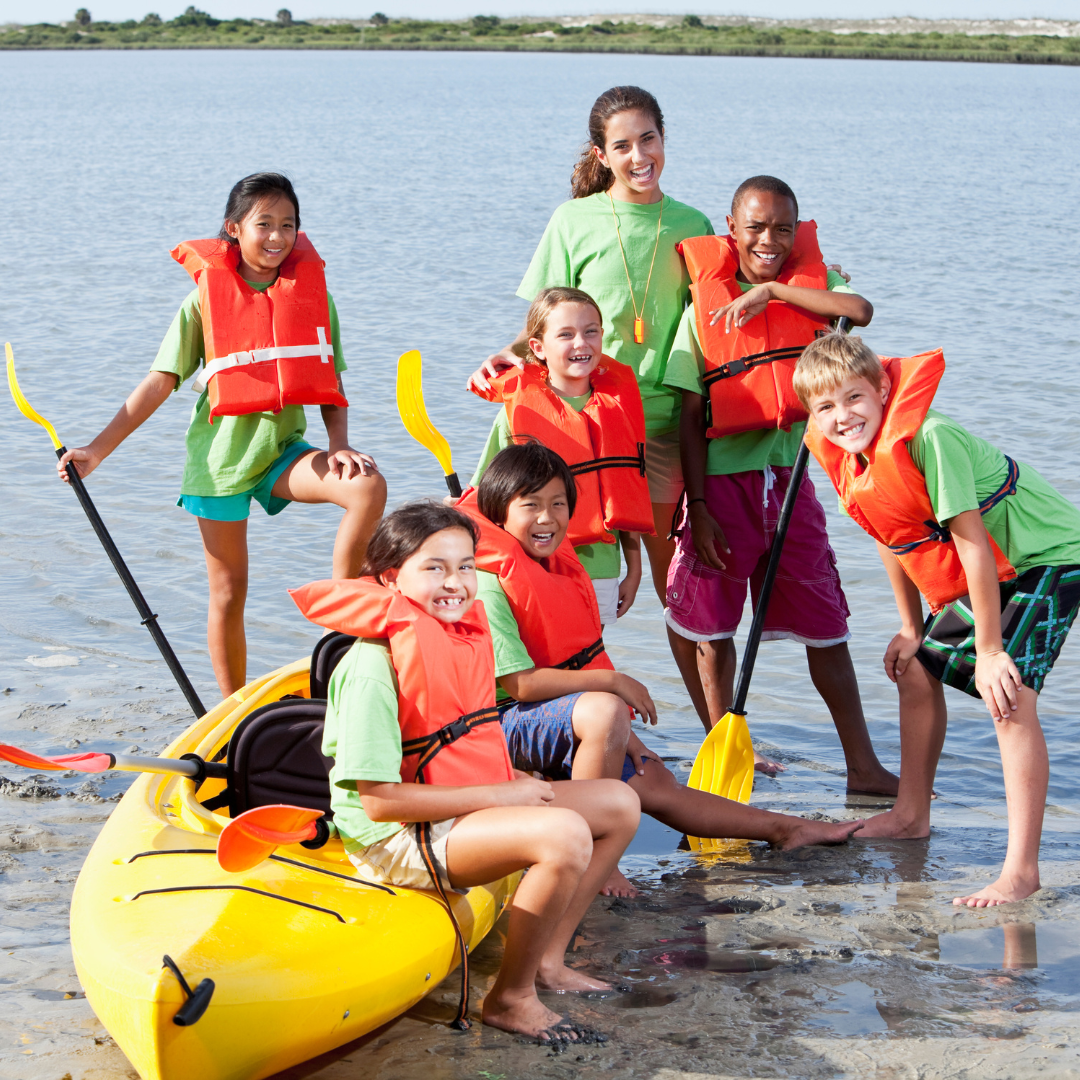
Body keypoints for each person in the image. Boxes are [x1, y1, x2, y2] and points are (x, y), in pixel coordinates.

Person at [290, 502, 640, 1039]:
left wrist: (514, 785)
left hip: (456, 807)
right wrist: (501, 797)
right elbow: (381, 802)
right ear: (389, 576)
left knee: (618, 803)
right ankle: (510, 998)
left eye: (466, 566)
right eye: (434, 567)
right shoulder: (371, 667)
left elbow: (467, 742)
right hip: (394, 837)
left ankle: (546, 960)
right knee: (565, 834)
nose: (454, 583)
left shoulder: (460, 639)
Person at [457, 443, 865, 896]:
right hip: (497, 726)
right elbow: (521, 684)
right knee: (607, 711)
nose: (547, 518)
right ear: (497, 512)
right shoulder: (488, 586)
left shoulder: (556, 568)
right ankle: (592, 854)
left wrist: (626, 742)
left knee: (655, 780)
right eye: (529, 506)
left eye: (558, 504)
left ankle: (786, 829)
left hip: (552, 717)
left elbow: (573, 661)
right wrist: (614, 683)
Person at [57, 173, 386, 698]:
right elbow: (159, 382)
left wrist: (339, 444)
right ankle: (232, 710)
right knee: (229, 592)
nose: (276, 237)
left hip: (283, 453)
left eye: (288, 225)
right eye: (264, 224)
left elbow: (330, 380)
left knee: (366, 486)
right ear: (234, 229)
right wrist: (96, 450)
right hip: (220, 465)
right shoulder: (200, 304)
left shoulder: (315, 298)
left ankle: (343, 623)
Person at [794, 333, 1080, 907]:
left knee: (1007, 693)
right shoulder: (851, 455)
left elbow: (971, 542)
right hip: (999, 569)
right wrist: (910, 626)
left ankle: (1021, 871)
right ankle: (909, 816)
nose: (842, 416)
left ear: (881, 388)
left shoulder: (931, 436)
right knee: (918, 667)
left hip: (1047, 555)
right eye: (825, 407)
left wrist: (993, 650)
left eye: (854, 398)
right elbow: (892, 535)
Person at [663, 174, 897, 795]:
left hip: (790, 481)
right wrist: (701, 507)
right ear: (731, 229)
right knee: (712, 630)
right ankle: (725, 759)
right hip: (723, 485)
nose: (769, 238)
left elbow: (861, 312)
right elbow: (690, 417)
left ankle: (863, 765)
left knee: (827, 622)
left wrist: (773, 290)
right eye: (756, 227)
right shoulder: (704, 310)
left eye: (783, 229)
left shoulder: (809, 293)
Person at [467, 85, 712, 607]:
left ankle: (696, 693)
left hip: (665, 425)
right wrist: (510, 351)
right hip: (585, 421)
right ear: (602, 155)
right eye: (622, 146)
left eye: (648, 140)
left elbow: (724, 312)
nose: (639, 157)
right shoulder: (572, 220)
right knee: (567, 571)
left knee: (678, 592)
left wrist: (824, 281)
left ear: (664, 139)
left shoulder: (696, 226)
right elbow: (541, 322)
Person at [469, 286, 652, 624]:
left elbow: (626, 489)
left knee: (586, 661)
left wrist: (635, 569)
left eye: (591, 331)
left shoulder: (620, 406)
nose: (581, 344)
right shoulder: (517, 411)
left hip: (601, 568)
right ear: (538, 347)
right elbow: (481, 494)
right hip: (533, 565)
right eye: (565, 335)